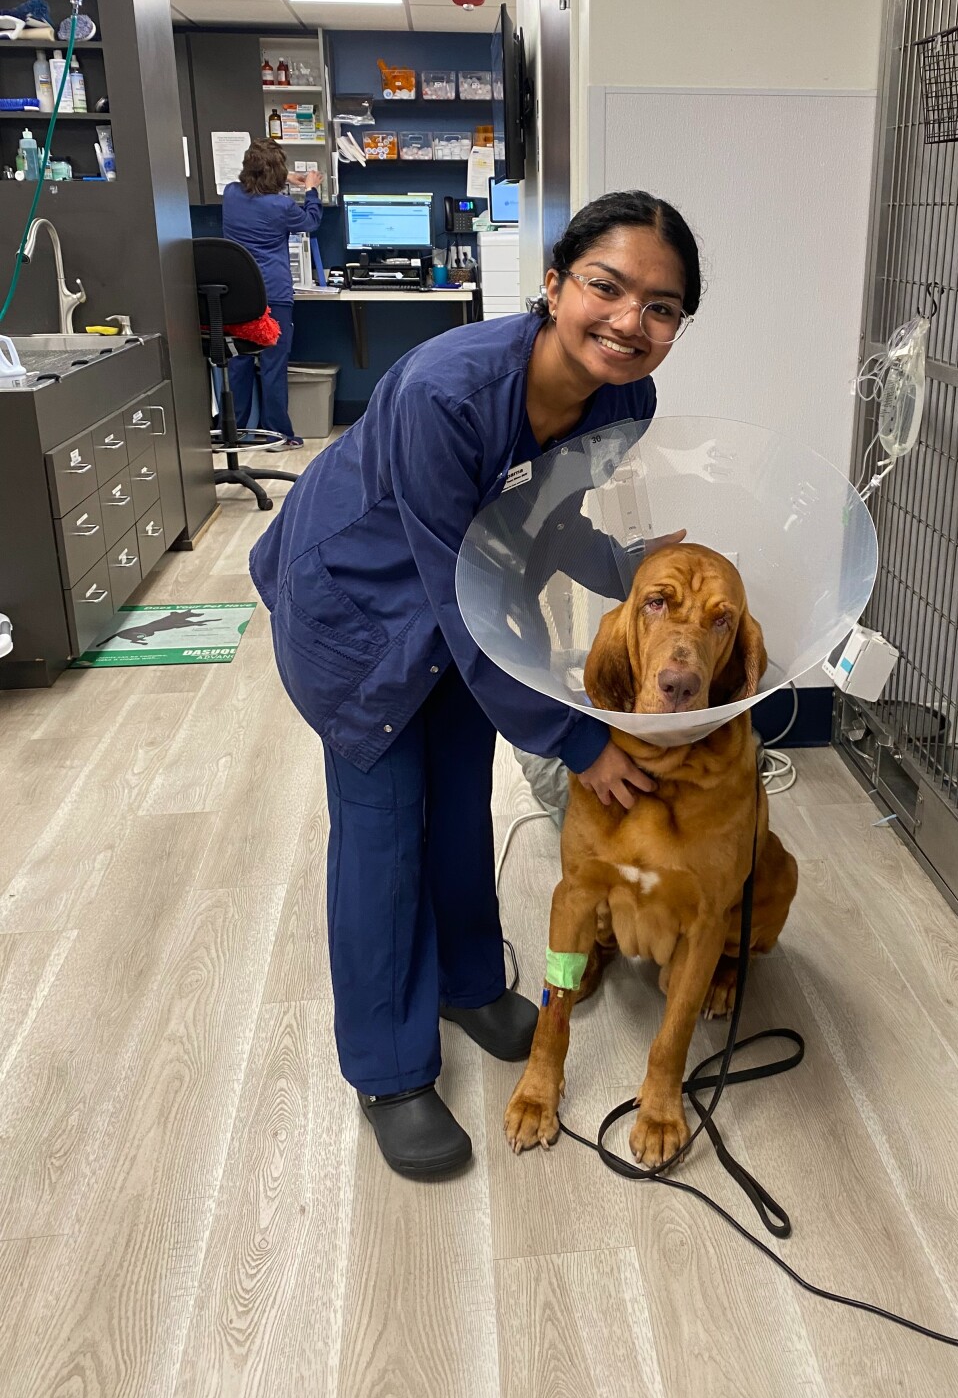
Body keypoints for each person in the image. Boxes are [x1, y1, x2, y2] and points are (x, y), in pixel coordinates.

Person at [249, 190, 702, 1179]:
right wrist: (579, 737)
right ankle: (389, 1070)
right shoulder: (446, 394)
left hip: (467, 611)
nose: (630, 321)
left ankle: (465, 983)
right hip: (358, 605)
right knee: (384, 834)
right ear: (555, 283)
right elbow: (453, 585)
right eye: (607, 286)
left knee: (458, 805)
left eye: (661, 307)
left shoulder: (625, 403)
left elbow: (540, 519)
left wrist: (623, 569)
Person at [221, 138, 322, 451]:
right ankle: (277, 435)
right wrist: (311, 190)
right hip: (273, 295)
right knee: (273, 366)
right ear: (277, 173)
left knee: (238, 363)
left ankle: (234, 434)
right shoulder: (282, 206)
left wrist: (282, 177)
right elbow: (311, 222)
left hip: (237, 295)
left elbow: (252, 187)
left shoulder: (230, 194)